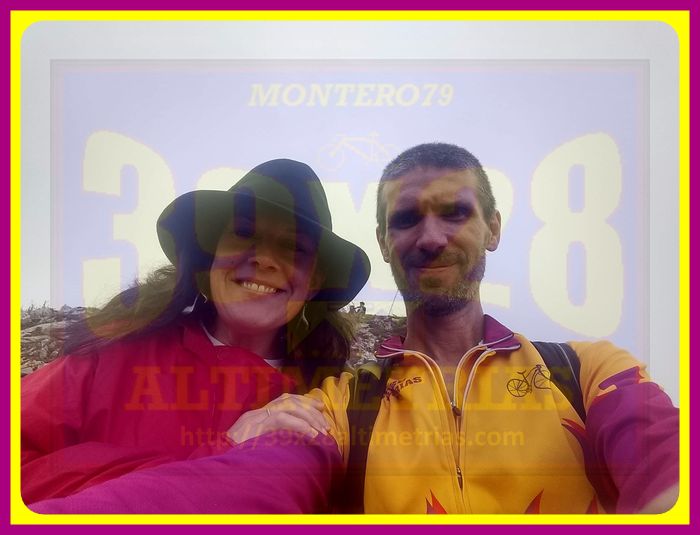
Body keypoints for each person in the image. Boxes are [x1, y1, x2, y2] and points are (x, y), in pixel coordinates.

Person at [29, 144, 679, 515]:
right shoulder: (338, 403)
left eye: (456, 212)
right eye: (406, 218)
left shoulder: (585, 369)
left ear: (495, 228)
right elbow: (273, 475)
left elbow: (661, 452)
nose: (431, 236)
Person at [21, 158, 370, 505]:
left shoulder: (324, 406)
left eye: (294, 248)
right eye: (244, 233)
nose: (264, 259)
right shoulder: (111, 352)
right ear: (211, 251)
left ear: (314, 281)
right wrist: (221, 453)